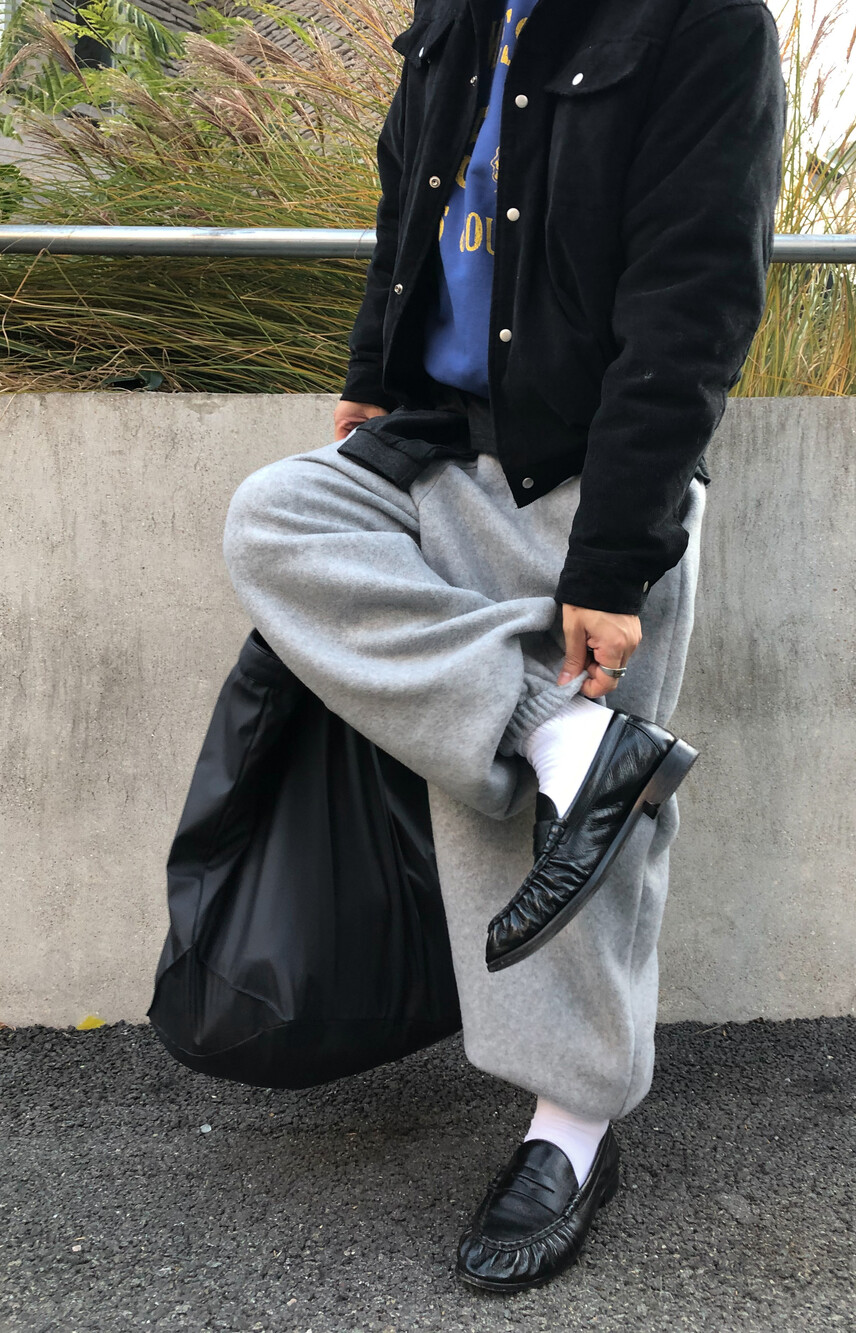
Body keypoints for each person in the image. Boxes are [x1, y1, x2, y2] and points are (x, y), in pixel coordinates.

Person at [222, 0, 785, 1293]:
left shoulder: (706, 25)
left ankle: (569, 1131)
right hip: (434, 441)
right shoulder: (459, 9)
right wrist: (371, 371)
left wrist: (615, 556)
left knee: (547, 845)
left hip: (586, 477)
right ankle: (561, 737)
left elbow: (696, 298)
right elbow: (410, 190)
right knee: (276, 518)